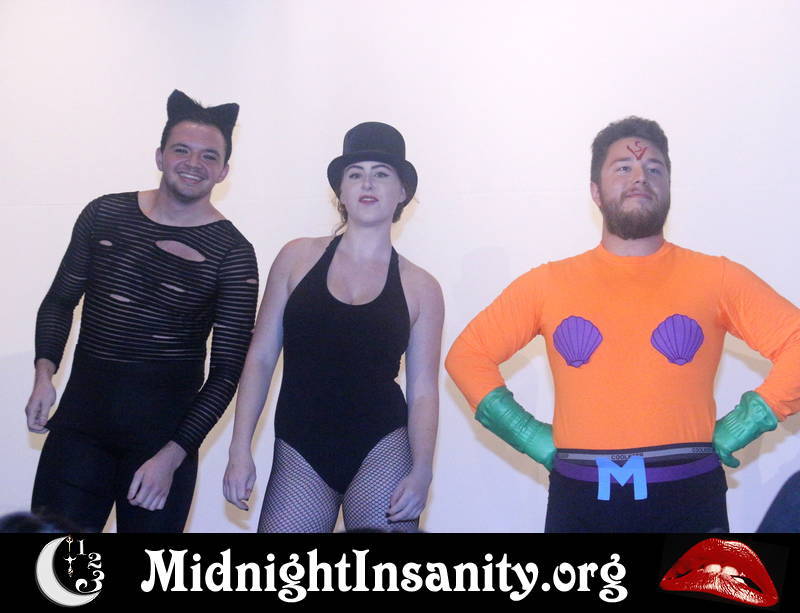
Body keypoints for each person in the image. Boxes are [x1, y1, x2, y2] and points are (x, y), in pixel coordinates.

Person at [446, 116, 800, 532]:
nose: (640, 177)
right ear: (595, 191)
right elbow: (467, 357)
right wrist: (527, 434)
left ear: (669, 186)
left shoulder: (717, 277)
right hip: (580, 501)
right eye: (623, 168)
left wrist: (748, 420)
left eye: (654, 168)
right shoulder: (548, 283)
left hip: (689, 498)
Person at [26, 90, 259, 532]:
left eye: (209, 156)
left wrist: (172, 456)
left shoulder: (233, 254)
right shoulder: (103, 214)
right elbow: (59, 300)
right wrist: (44, 374)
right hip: (79, 430)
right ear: (159, 156)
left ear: (224, 171)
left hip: (162, 446)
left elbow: (227, 372)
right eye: (182, 150)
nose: (194, 163)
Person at [224, 122, 443, 532]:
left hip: (382, 446)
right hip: (301, 448)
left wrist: (423, 470)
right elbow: (261, 357)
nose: (368, 183)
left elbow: (423, 390)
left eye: (382, 174)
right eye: (355, 174)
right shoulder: (295, 258)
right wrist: (239, 448)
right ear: (340, 191)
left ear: (402, 192)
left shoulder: (422, 287)